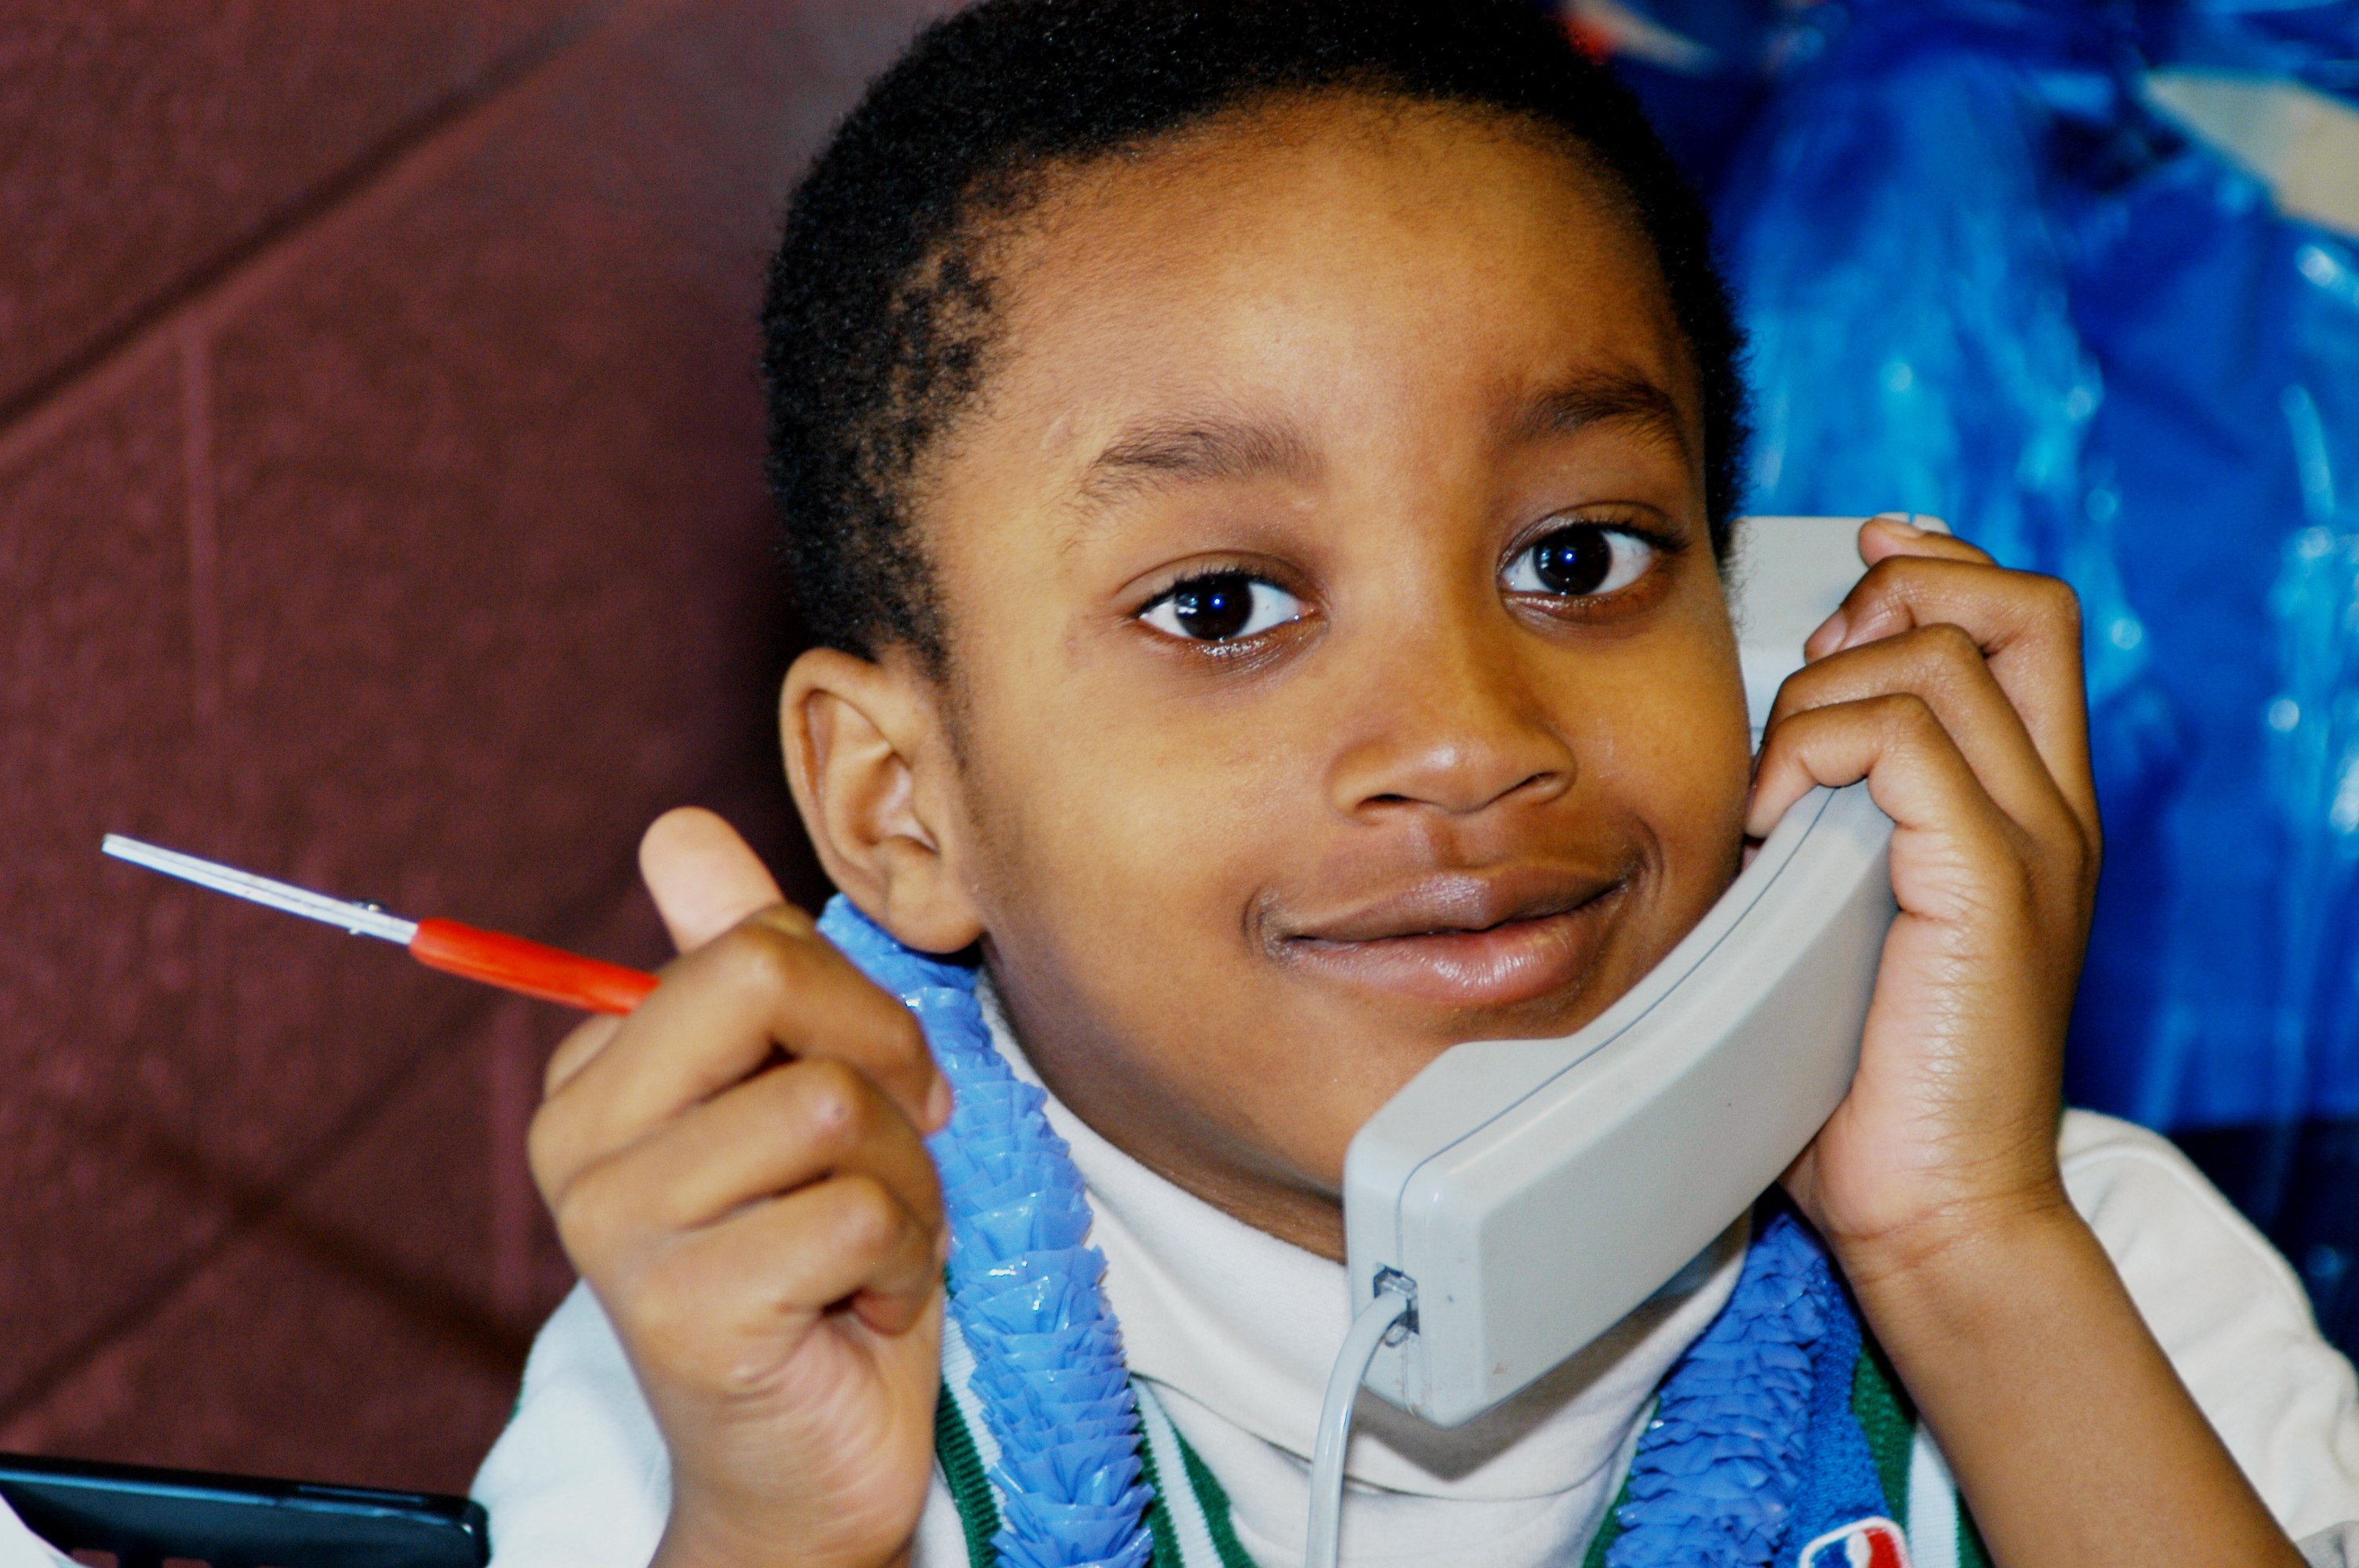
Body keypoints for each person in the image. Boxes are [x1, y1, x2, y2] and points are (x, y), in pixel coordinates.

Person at [471, 2, 2359, 1565]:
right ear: (902, 805)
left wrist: (1962, 1253)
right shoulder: (745, 1375)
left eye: (1582, 558)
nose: (1468, 734)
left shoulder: (2077, 1271)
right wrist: (782, 1536)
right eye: (1224, 604)